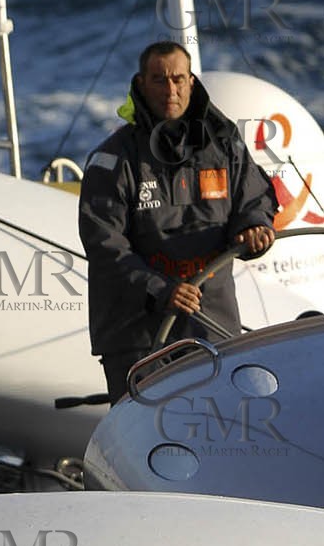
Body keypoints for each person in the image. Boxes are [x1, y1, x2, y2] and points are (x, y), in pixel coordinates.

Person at [78, 40, 276, 403]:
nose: (170, 89)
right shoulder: (111, 160)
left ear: (191, 82)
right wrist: (160, 289)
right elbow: (104, 244)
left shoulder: (225, 145)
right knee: (147, 429)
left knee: (226, 424)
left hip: (210, 325)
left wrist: (253, 226)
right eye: (159, 79)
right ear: (141, 84)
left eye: (178, 79)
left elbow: (255, 197)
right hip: (137, 337)